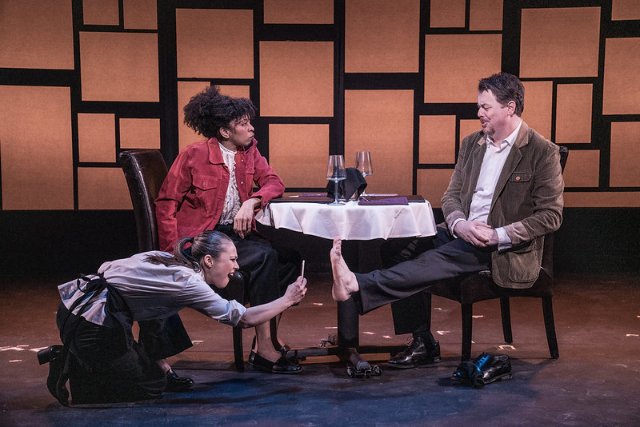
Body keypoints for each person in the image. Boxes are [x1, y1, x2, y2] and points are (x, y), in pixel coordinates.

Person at [330, 72, 564, 368]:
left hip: (501, 246)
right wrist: (459, 224)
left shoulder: (541, 152)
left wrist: (498, 235)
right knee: (398, 245)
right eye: (479, 106)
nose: (479, 113)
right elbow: (451, 196)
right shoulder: (472, 144)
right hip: (463, 232)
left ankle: (358, 284)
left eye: (486, 107)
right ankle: (422, 340)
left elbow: (550, 216)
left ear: (510, 107)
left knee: (440, 257)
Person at [38, 230, 307, 406]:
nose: (237, 267)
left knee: (157, 371)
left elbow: (152, 318)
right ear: (209, 261)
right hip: (91, 322)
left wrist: (163, 368)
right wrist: (287, 299)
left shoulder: (167, 261)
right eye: (233, 259)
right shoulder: (188, 282)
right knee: (149, 386)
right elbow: (241, 318)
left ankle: (93, 358)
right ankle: (72, 362)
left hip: (79, 311)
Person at [154, 86, 300, 376]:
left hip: (235, 235)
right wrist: (173, 249)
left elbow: (274, 182)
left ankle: (265, 335)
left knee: (290, 259)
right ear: (224, 131)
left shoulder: (249, 152)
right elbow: (166, 202)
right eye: (243, 124)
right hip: (203, 239)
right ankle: (265, 346)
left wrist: (252, 201)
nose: (251, 128)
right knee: (265, 257)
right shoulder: (194, 154)